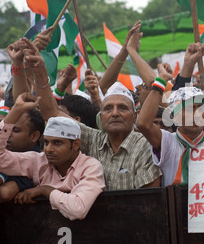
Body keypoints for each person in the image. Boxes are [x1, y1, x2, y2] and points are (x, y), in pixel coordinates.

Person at [21, 37, 162, 191]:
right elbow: (51, 113)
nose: (115, 113)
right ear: (100, 117)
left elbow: (149, 200)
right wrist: (40, 71)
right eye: (108, 109)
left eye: (122, 108)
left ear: (135, 116)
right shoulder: (94, 140)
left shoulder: (145, 146)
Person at [0, 93, 105, 220]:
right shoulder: (38, 161)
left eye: (57, 143)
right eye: (46, 142)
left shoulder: (91, 167)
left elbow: (78, 209)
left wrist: (44, 190)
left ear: (76, 144)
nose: (48, 149)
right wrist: (17, 109)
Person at [136, 62, 204, 187]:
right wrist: (161, 81)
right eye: (189, 108)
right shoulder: (167, 142)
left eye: (201, 107)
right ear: (175, 116)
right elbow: (143, 124)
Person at [0, 106, 44, 203]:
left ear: (34, 136)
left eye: (15, 130)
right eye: (6, 129)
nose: (8, 134)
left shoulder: (37, 163)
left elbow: (5, 193)